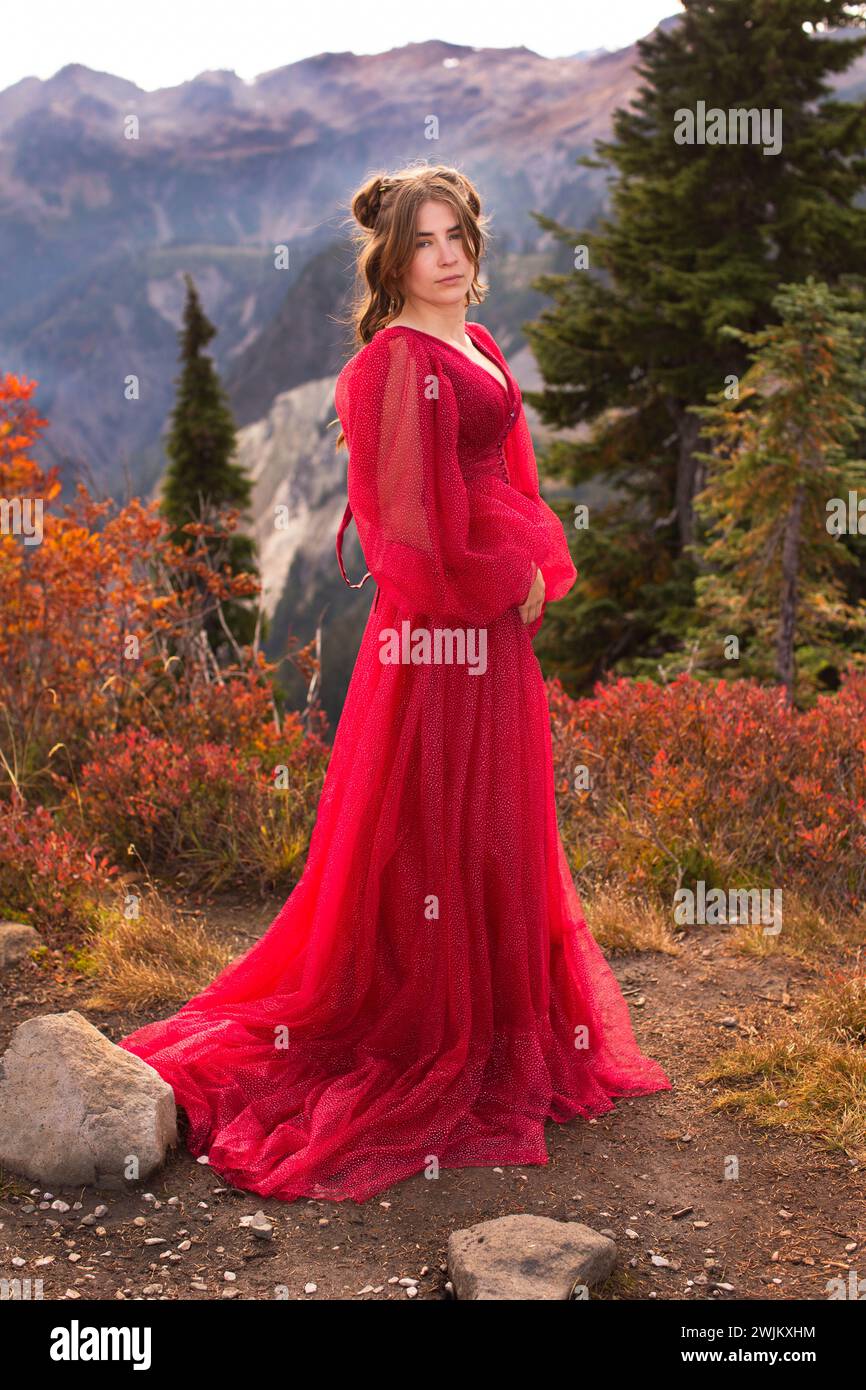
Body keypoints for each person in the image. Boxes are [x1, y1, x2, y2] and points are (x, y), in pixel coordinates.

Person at [118, 162, 672, 1204]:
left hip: (492, 631)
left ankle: (507, 1023)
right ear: (392, 260)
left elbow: (507, 476)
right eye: (425, 241)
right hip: (436, 642)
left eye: (457, 232)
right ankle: (427, 1025)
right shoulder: (386, 367)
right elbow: (402, 540)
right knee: (434, 833)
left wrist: (529, 568)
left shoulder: (479, 342)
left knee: (497, 829)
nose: (449, 254)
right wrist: (502, 578)